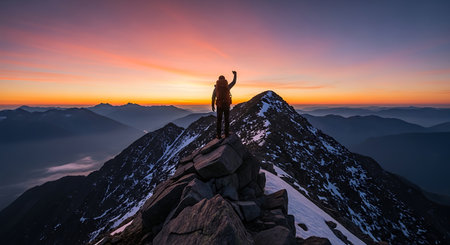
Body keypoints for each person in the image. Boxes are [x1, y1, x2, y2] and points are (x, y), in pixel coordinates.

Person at [212, 70, 236, 139]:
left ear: (218, 80)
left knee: (219, 120)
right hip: (226, 105)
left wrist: (212, 105)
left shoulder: (216, 88)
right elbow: (234, 82)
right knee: (226, 120)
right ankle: (226, 134)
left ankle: (219, 135)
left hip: (219, 106)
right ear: (224, 79)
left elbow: (213, 97)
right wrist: (235, 74)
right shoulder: (227, 87)